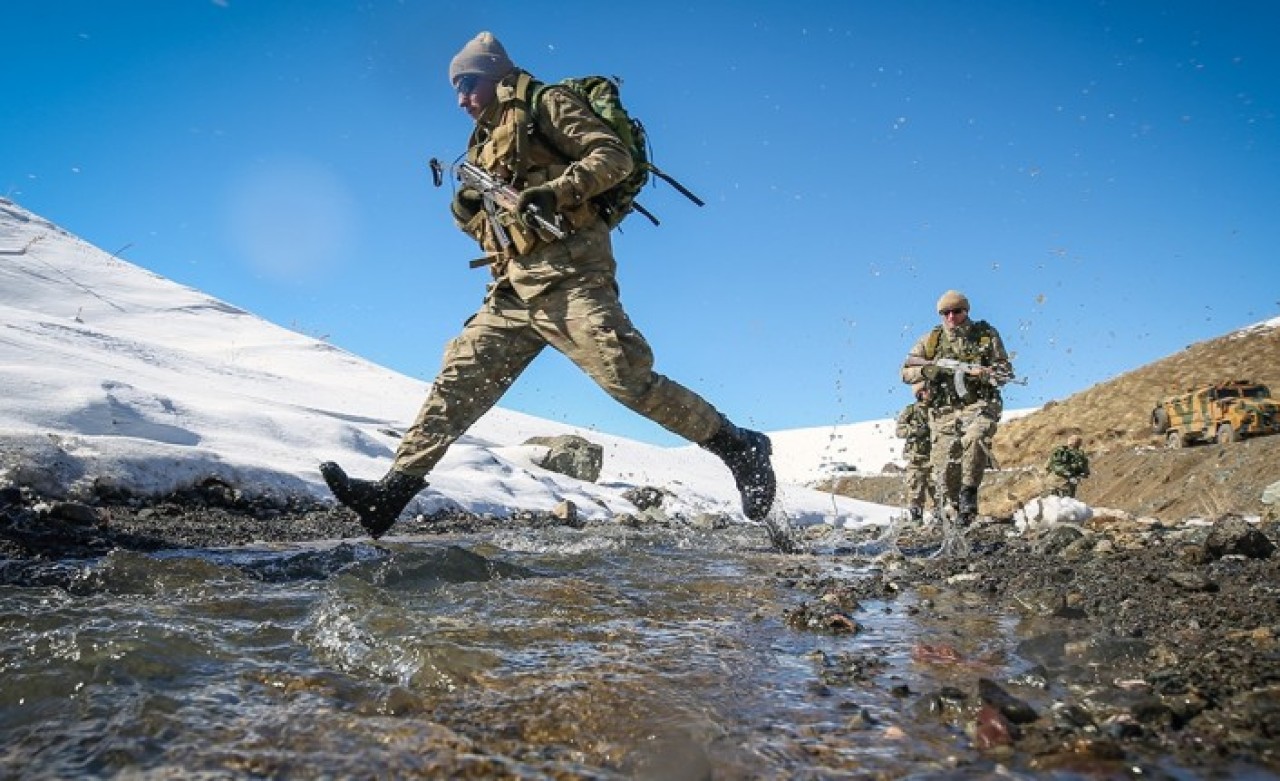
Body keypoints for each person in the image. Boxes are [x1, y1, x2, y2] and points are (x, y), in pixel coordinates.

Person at [320, 31, 776, 538]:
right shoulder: (483, 141)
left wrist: (554, 192)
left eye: (469, 83)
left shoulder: (547, 103)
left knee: (626, 379)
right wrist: (469, 210)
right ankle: (392, 493)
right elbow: (492, 223)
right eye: (456, 88)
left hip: (573, 276)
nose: (461, 99)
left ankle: (737, 445)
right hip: (514, 289)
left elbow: (612, 159)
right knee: (458, 381)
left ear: (495, 75)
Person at [900, 290, 1013, 525]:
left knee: (975, 437)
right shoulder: (930, 341)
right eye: (946, 313)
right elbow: (905, 371)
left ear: (966, 311)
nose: (951, 317)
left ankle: (969, 492)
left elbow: (1005, 373)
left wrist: (988, 374)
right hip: (944, 413)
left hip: (979, 403)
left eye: (957, 311)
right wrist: (928, 370)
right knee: (944, 471)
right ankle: (957, 516)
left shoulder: (985, 335)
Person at [894, 383, 934, 523]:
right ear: (920, 393)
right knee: (915, 492)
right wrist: (915, 431)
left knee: (938, 491)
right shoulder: (911, 410)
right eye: (927, 390)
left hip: (935, 458)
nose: (930, 393)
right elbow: (899, 431)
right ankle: (916, 520)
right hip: (916, 458)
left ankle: (939, 520)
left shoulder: (937, 409)